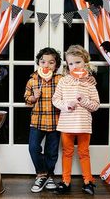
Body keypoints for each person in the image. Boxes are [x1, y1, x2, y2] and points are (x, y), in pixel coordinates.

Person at [52, 45, 100, 195]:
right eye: (71, 64)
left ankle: (88, 181)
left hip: (83, 125)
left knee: (84, 153)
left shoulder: (90, 83)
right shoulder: (64, 82)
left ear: (85, 62)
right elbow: (55, 99)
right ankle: (66, 181)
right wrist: (66, 106)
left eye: (77, 62)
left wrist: (83, 100)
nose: (74, 66)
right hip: (66, 125)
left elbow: (96, 105)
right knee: (67, 153)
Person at [24, 47, 62, 193]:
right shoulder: (32, 80)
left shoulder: (61, 80)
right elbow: (27, 100)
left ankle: (49, 175)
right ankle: (42, 173)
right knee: (33, 148)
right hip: (37, 121)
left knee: (51, 152)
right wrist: (34, 97)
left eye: (51, 63)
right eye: (43, 62)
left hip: (55, 121)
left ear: (56, 66)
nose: (46, 65)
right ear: (38, 63)